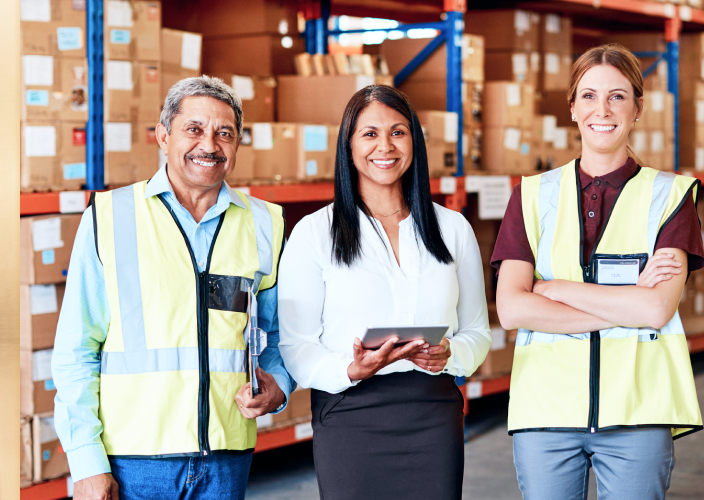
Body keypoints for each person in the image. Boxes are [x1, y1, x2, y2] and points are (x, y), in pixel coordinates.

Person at [51, 76, 294, 500]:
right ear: (163, 136)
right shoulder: (109, 217)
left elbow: (278, 335)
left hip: (226, 457)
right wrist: (85, 460)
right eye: (194, 129)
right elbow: (76, 350)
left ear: (237, 144)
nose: (210, 145)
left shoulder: (265, 224)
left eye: (225, 133)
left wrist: (278, 384)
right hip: (132, 460)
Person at [493, 44, 704, 500]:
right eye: (588, 96)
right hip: (545, 410)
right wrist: (627, 302)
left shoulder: (671, 197)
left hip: (638, 410)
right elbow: (511, 308)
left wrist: (552, 290)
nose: (601, 110)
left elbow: (656, 308)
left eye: (617, 96)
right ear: (572, 107)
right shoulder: (531, 196)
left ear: (637, 108)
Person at [278, 85, 491, 500]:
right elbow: (296, 346)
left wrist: (451, 353)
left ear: (414, 141)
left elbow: (477, 332)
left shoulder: (452, 229)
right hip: (350, 415)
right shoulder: (314, 234)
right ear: (349, 145)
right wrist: (350, 370)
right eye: (369, 134)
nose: (385, 146)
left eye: (398, 132)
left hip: (433, 413)